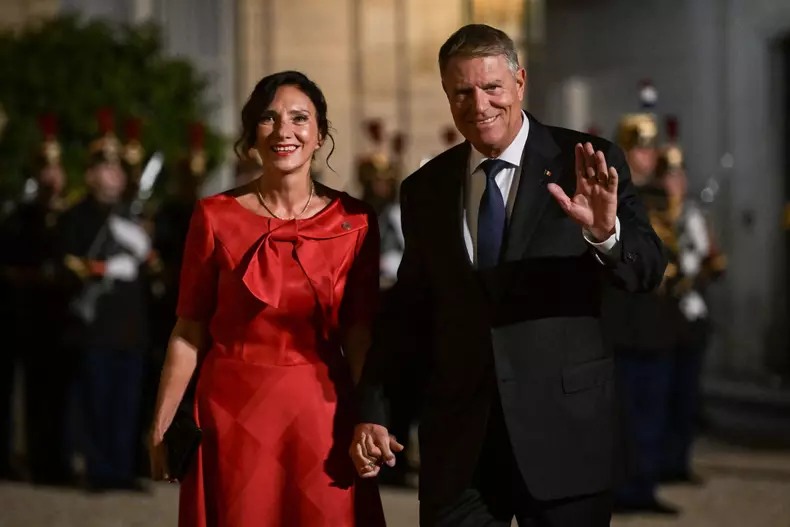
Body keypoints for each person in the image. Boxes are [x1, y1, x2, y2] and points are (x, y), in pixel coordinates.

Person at [351, 24, 666, 526]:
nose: (479, 104)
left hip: (566, 440)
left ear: (520, 82)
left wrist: (607, 233)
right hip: (460, 448)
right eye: (462, 91)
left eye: (492, 87)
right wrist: (376, 407)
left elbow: (647, 271)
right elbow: (410, 312)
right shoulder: (426, 188)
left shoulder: (585, 163)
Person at [148, 70, 386, 527]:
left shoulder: (356, 221)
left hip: (322, 416)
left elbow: (359, 336)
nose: (284, 131)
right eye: (269, 118)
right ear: (251, 135)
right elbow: (188, 330)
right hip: (229, 415)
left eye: (300, 118)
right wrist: (161, 423)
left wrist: (370, 418)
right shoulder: (213, 215)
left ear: (320, 134)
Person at [58, 110, 152, 492]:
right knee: (95, 401)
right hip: (95, 326)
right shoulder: (76, 217)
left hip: (131, 324)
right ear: (90, 174)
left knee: (127, 403)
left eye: (116, 169)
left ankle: (122, 468)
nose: (112, 175)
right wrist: (103, 268)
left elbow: (148, 263)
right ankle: (98, 469)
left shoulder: (134, 215)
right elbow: (67, 263)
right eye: (104, 168)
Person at [601, 88, 683, 515]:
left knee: (654, 410)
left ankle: (644, 486)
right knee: (625, 415)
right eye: (640, 150)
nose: (648, 159)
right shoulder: (617, 194)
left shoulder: (659, 196)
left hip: (657, 322)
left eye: (651, 151)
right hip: (623, 320)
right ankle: (621, 488)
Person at [2, 114, 73, 485]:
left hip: (63, 318)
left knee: (59, 394)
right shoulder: (22, 216)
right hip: (28, 316)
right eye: (45, 167)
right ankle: (28, 457)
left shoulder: (70, 215)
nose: (51, 176)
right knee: (30, 395)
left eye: (56, 167)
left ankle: (55, 460)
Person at [655, 118, 725, 485]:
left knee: (687, 395)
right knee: (661, 394)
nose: (676, 183)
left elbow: (712, 259)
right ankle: (657, 464)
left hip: (693, 313)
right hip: (665, 315)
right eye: (670, 176)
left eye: (680, 176)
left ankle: (679, 460)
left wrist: (712, 264)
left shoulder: (695, 214)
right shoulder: (654, 215)